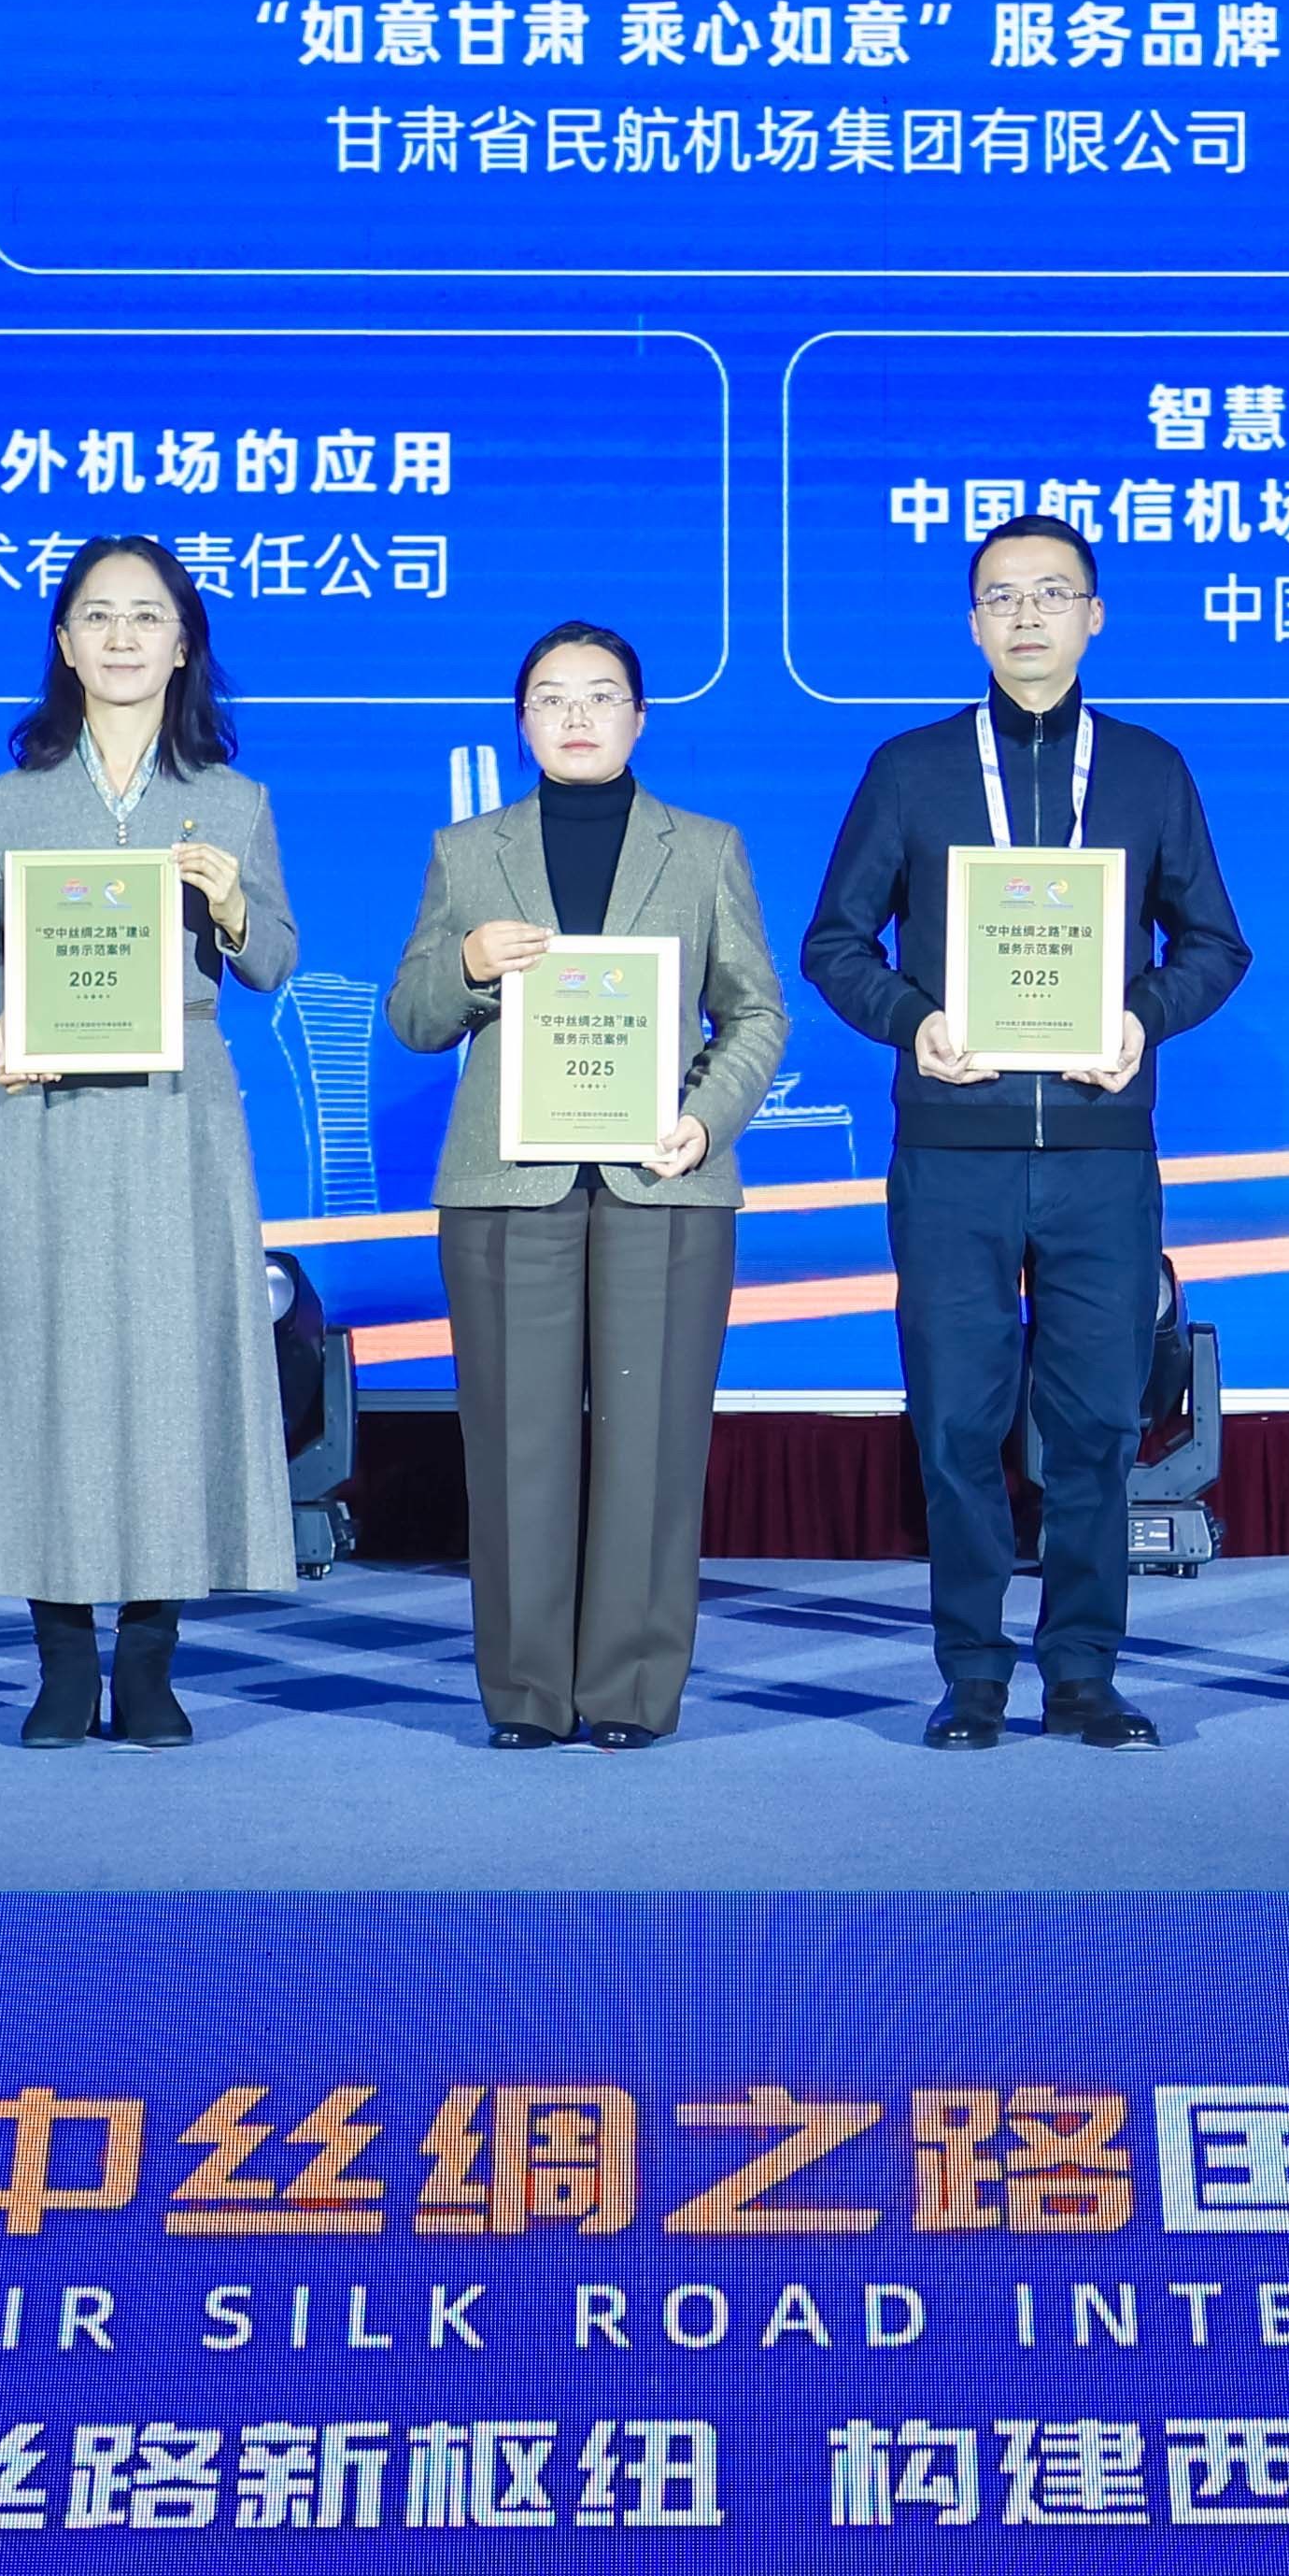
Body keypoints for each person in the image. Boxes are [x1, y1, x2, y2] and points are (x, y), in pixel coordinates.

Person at [802, 513, 1252, 1754]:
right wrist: (916, 1020)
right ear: (972, 623)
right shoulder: (911, 768)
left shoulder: (1149, 769)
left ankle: (1084, 1671)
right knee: (955, 1421)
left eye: (1052, 593)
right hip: (952, 1147)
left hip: (1102, 1151)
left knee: (1096, 1426)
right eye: (1001, 596)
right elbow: (834, 942)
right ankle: (971, 1671)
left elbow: (1216, 944)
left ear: (1093, 616)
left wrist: (1139, 1019)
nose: (1027, 616)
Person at [0, 536, 304, 1744]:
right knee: (49, 1366)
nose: (122, 636)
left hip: (182, 1110)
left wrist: (230, 904)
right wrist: (8, 1019)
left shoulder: (233, 800)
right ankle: (63, 1656)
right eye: (97, 615)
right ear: (64, 644)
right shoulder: (11, 801)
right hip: (47, 1109)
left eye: (146, 616)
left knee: (173, 1373)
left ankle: (150, 1657)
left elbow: (276, 961)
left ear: (183, 646)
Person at [387, 621, 790, 1752]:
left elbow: (755, 1010)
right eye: (552, 696)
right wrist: (467, 966)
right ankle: (523, 1693)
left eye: (601, 694)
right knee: (514, 1447)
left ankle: (628, 1690)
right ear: (521, 721)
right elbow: (412, 1015)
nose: (576, 714)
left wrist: (703, 1121)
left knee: (650, 1446)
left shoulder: (703, 848)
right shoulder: (466, 851)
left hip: (661, 1181)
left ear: (638, 718)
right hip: (507, 1184)